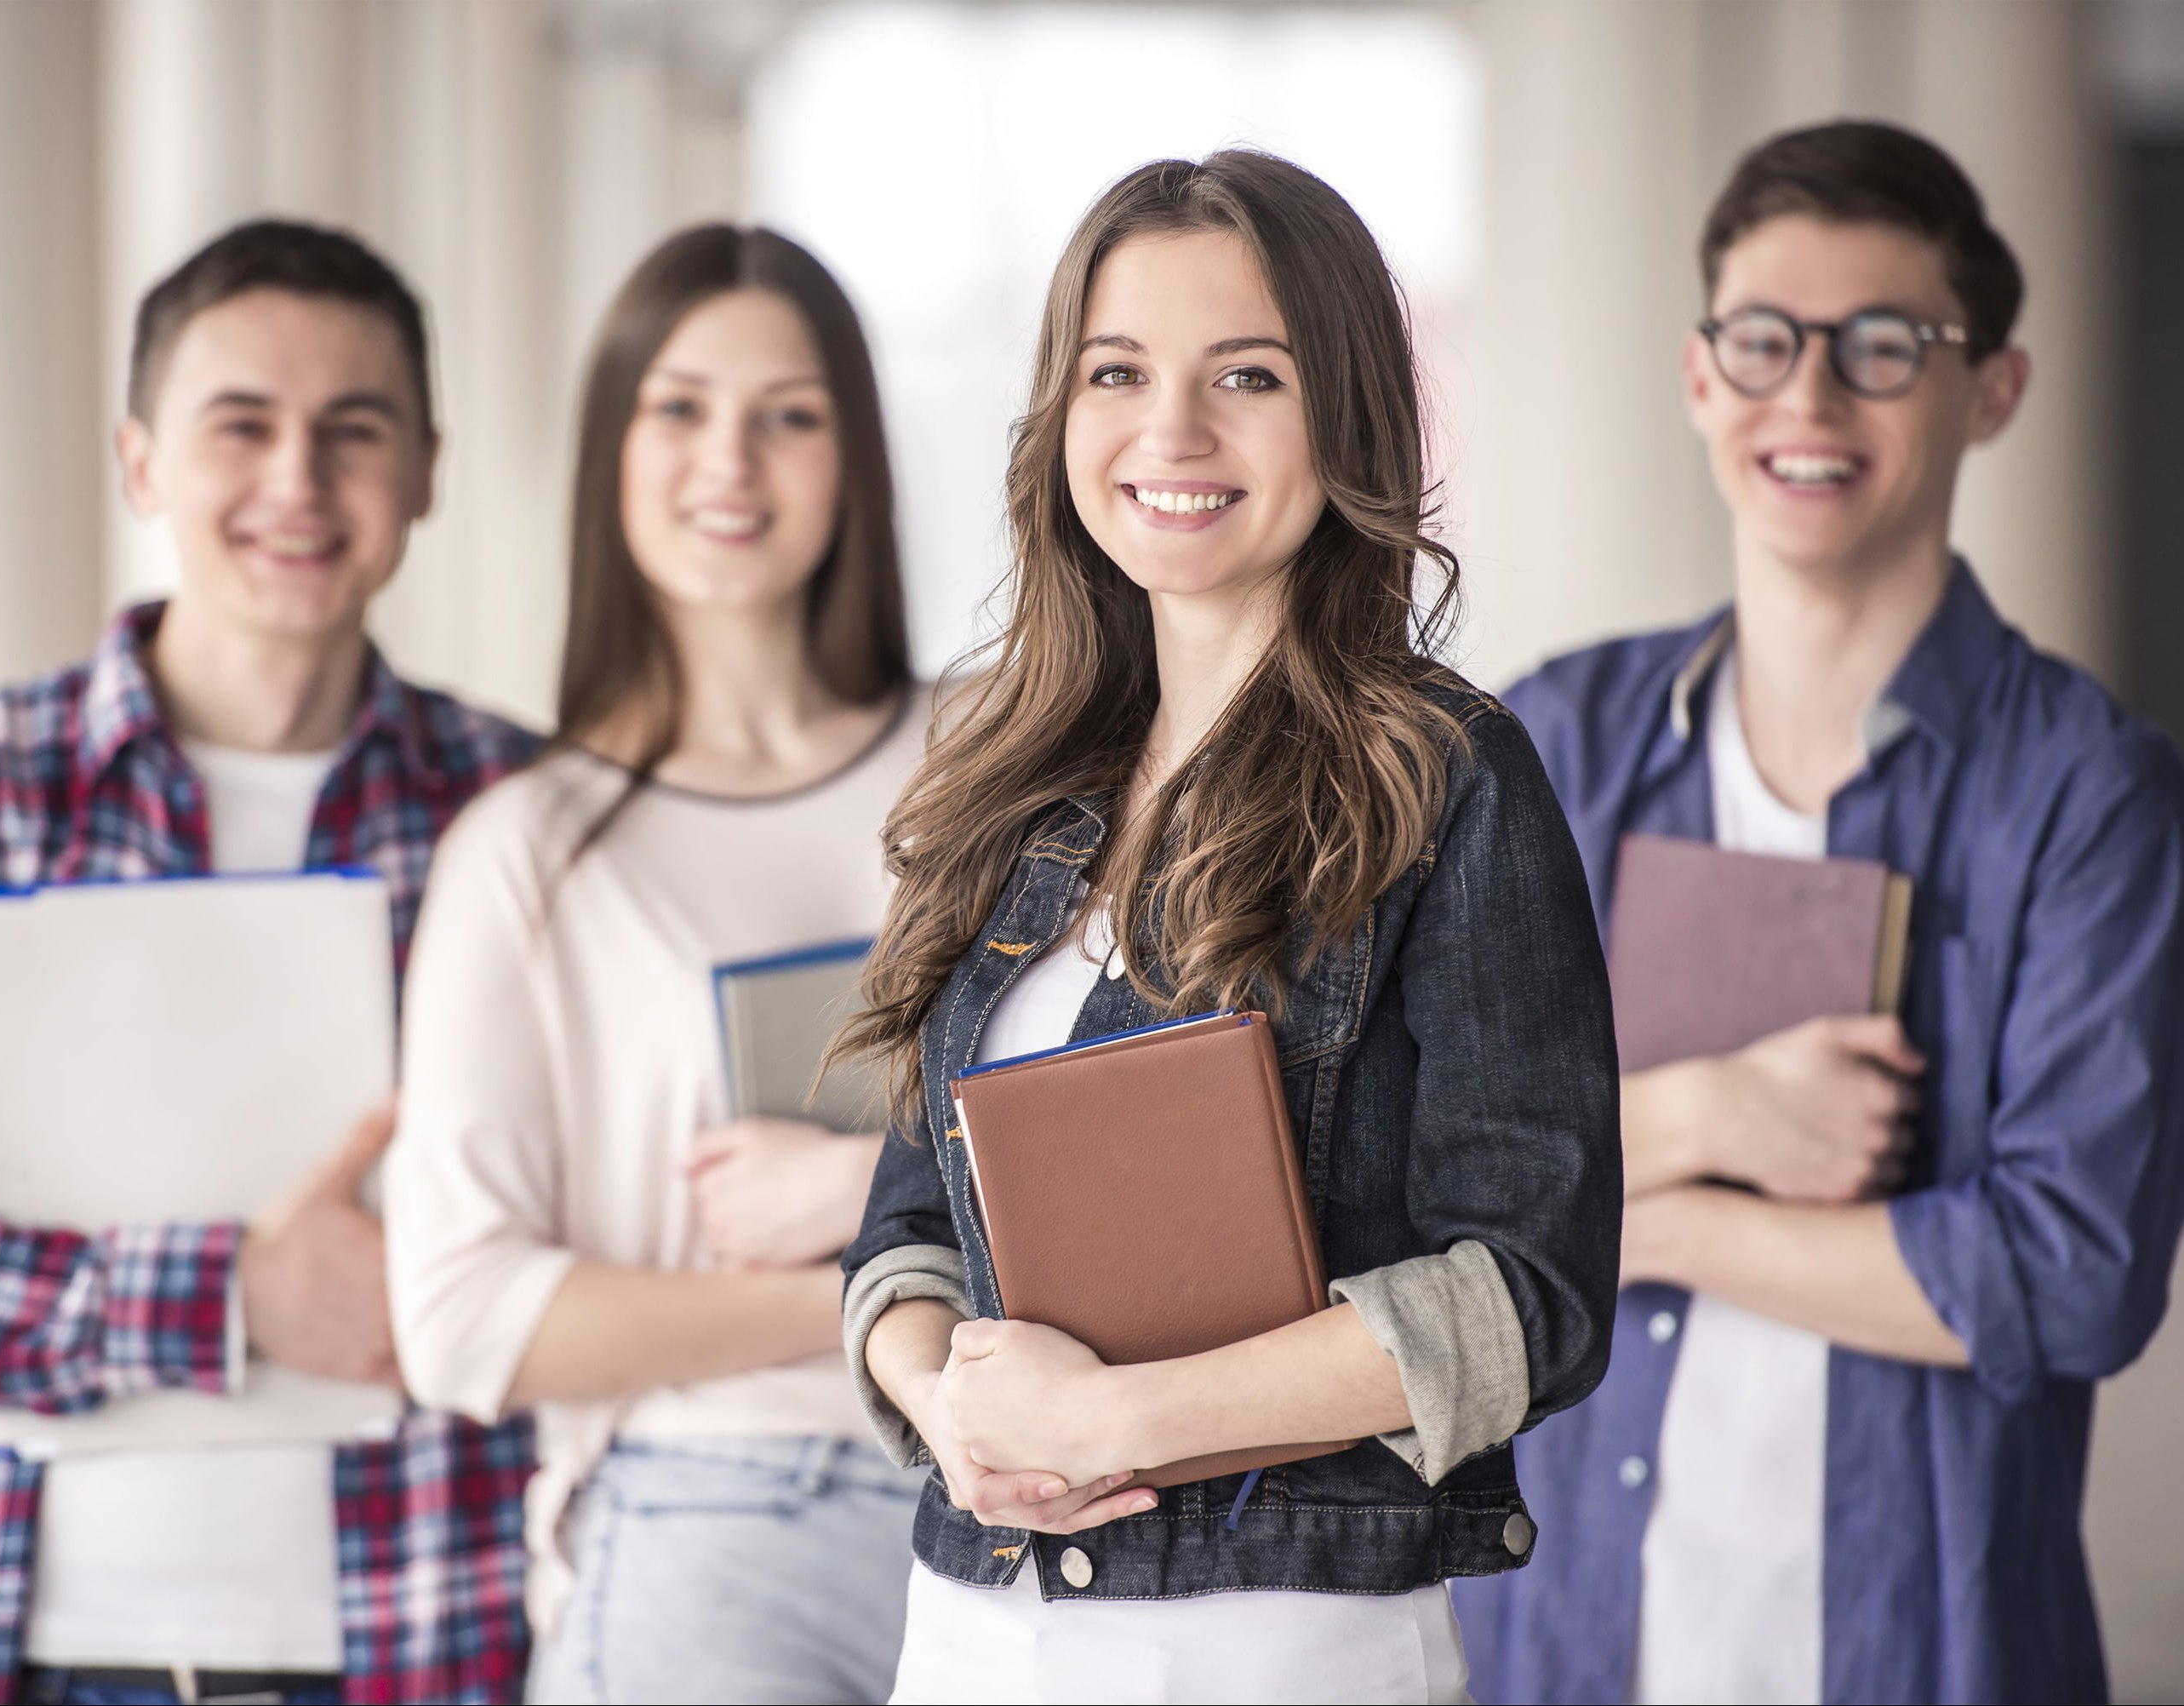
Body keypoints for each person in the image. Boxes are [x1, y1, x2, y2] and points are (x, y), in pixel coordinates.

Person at [832, 150, 1622, 1706]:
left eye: (1244, 375)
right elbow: (907, 1229)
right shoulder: (1012, 783)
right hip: (975, 1630)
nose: (1170, 432)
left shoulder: (1443, 776)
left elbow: (1530, 1296)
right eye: (1116, 372)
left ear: (1343, 412)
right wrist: (953, 1411)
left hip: (1280, 1642)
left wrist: (1111, 1424)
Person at [1452, 120, 2184, 1706]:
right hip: (1564, 1646)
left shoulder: (2087, 793)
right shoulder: (1550, 750)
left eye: (1881, 347)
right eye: (1764, 341)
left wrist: (1647, 1217)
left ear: (1990, 388)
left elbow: (2069, 1275)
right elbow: (1411, 1167)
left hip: (1921, 1649)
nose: (1808, 397)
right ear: (1701, 376)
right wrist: (1711, 1110)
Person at [0, 220, 540, 1705]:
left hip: (435, 1642)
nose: (297, 484)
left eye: (354, 430)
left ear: (427, 471)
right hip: (30, 1647)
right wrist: (232, 1297)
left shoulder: (527, 816)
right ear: (142, 463)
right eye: (240, 426)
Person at [384, 226, 929, 1705]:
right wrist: (890, 1281)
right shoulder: (528, 850)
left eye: (790, 415)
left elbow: (1130, 1112)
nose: (730, 462)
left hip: (1024, 1502)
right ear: (611, 446)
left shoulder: (993, 762)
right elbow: (462, 1317)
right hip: (715, 1517)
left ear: (856, 457)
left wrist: (867, 1205)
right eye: (679, 407)